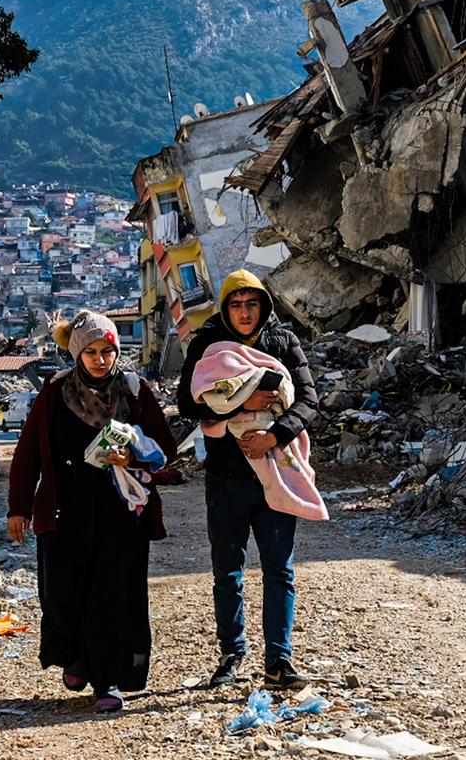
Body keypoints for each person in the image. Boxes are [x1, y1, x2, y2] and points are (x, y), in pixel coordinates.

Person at [6, 310, 177, 713]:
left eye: (108, 351)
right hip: (65, 510)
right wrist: (19, 507)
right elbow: (28, 451)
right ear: (77, 355)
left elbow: (165, 448)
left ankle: (107, 680)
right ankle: (77, 659)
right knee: (64, 594)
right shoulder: (54, 393)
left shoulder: (135, 392)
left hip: (120, 512)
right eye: (91, 352)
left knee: (112, 595)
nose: (100, 360)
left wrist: (132, 455)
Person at [177, 270, 319, 690]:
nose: (244, 312)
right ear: (225, 308)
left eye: (251, 304)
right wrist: (240, 402)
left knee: (280, 569)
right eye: (236, 305)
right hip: (226, 476)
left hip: (276, 468)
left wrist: (274, 434)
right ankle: (231, 653)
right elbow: (187, 400)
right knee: (228, 571)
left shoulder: (283, 342)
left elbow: (309, 399)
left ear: (264, 306)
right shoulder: (206, 343)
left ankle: (279, 660)